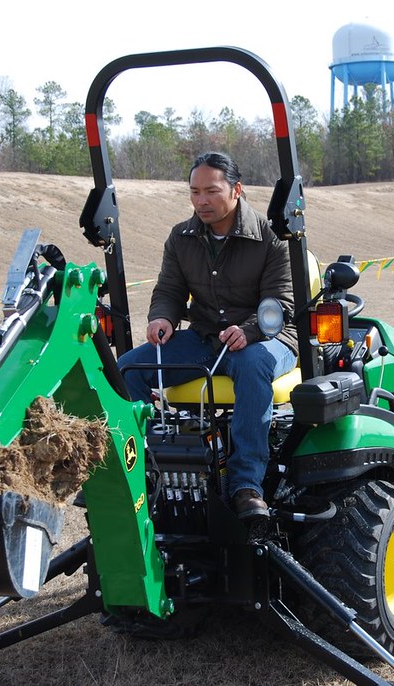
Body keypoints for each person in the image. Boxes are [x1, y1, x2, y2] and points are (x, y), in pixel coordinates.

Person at [118, 152, 297, 521]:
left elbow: (280, 302)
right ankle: (149, 466)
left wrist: (249, 330)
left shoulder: (271, 238)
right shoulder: (180, 237)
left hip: (267, 339)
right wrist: (162, 317)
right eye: (195, 192)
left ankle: (246, 485)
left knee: (251, 365)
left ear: (236, 190)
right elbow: (169, 290)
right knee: (126, 370)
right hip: (206, 338)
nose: (201, 201)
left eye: (211, 191)